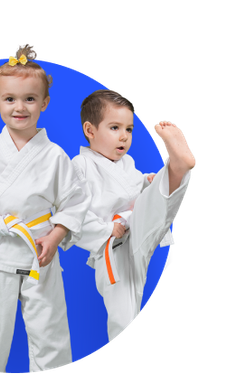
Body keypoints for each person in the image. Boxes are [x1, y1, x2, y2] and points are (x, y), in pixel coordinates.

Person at [0, 44, 91, 373]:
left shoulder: (55, 156)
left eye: (30, 99)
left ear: (44, 103)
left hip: (37, 252)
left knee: (50, 334)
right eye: (10, 99)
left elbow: (74, 200)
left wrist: (57, 234)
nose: (20, 107)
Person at [72, 89, 197, 342]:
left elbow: (130, 189)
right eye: (115, 127)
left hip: (136, 228)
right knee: (126, 315)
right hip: (112, 248)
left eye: (129, 129)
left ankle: (176, 167)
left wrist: (145, 182)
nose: (124, 136)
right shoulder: (80, 166)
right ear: (90, 130)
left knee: (156, 198)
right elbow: (74, 212)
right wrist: (107, 229)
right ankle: (175, 169)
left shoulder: (126, 163)